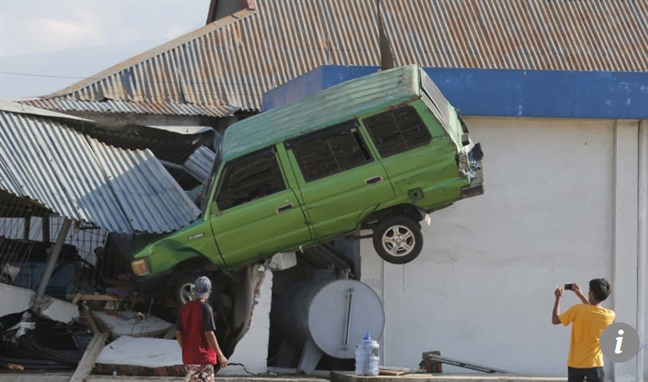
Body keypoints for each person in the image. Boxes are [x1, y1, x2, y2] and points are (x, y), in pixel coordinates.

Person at [551, 278, 615, 382]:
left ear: (592, 293)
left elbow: (555, 320)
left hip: (575, 363)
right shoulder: (610, 315)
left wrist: (558, 298)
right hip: (595, 364)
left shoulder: (577, 309)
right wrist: (580, 295)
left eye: (589, 291)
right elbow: (591, 310)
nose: (588, 292)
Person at [175, 276, 228, 382]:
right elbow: (209, 334)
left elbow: (178, 333)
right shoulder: (206, 308)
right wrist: (220, 355)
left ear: (194, 290)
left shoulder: (184, 308)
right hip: (203, 358)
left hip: (189, 358)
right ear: (209, 293)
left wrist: (187, 348)